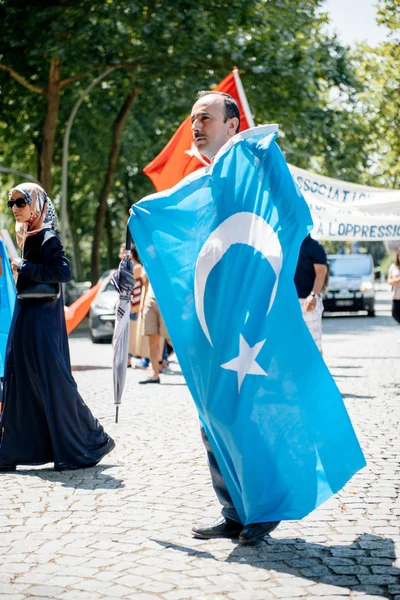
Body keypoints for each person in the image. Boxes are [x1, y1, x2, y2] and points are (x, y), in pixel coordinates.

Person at [189, 91, 280, 544]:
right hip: (215, 319)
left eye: (205, 117)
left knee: (247, 410)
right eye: (192, 120)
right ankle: (233, 510)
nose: (196, 126)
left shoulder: (251, 167)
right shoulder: (203, 182)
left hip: (249, 316)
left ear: (233, 123)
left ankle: (265, 506)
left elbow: (285, 217)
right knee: (213, 415)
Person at [0, 183, 115, 471]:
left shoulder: (47, 236)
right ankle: (12, 451)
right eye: (11, 203)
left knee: (54, 381)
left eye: (21, 201)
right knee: (21, 380)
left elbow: (63, 272)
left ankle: (91, 442)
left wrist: (24, 267)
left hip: (43, 321)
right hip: (27, 316)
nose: (15, 208)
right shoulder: (28, 235)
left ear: (36, 203)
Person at [294, 234, 328, 353]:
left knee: (314, 343)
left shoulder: (314, 246)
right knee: (293, 342)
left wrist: (313, 295)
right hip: (289, 301)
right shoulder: (287, 245)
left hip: (308, 301)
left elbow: (321, 272)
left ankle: (317, 371)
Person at [139, 276, 171, 384]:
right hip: (150, 299)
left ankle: (192, 371)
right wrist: (142, 302)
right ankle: (155, 374)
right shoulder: (148, 260)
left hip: (166, 298)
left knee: (170, 339)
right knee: (152, 338)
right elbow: (145, 283)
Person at [388, 250, 400, 328]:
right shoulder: (393, 267)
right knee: (395, 315)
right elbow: (389, 280)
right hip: (396, 296)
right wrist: (396, 280)